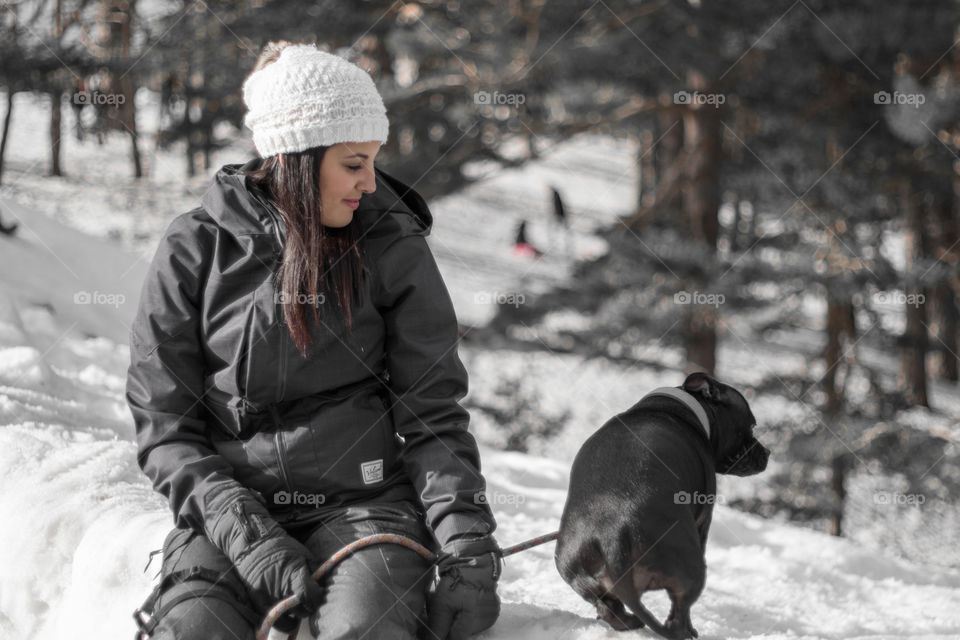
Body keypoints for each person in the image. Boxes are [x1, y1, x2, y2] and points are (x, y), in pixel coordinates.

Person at [127, 41, 501, 640]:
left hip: (364, 505)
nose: (369, 183)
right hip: (230, 514)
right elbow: (165, 425)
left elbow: (432, 414)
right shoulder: (193, 247)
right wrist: (247, 535)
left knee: (366, 630)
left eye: (372, 162)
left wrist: (467, 545)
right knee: (193, 629)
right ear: (295, 159)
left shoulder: (391, 244)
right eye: (353, 164)